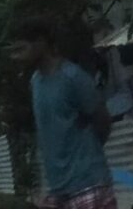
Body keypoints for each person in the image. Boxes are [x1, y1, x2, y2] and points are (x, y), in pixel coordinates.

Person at [8, 15, 117, 209]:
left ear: (41, 43)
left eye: (21, 49)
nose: (16, 58)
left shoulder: (72, 77)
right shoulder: (36, 82)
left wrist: (85, 155)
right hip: (59, 191)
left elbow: (102, 120)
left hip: (88, 185)